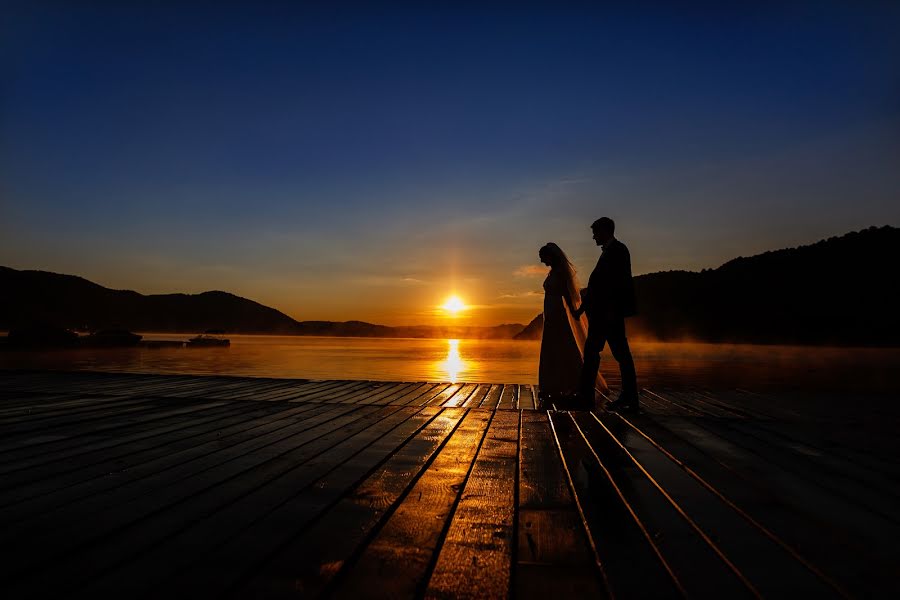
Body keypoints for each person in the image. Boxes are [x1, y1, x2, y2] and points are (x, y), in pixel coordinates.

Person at [572, 217, 639, 412]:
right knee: (596, 353)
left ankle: (627, 398)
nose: (593, 237)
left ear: (605, 231)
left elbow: (619, 284)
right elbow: (596, 288)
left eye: (595, 233)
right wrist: (583, 309)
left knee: (617, 354)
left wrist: (612, 311)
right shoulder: (610, 252)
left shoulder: (618, 251)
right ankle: (587, 395)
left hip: (609, 314)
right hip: (602, 314)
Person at [537, 242, 608, 408]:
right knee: (551, 350)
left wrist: (575, 312)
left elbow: (568, 295)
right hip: (549, 315)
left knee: (563, 348)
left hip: (558, 315)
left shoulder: (560, 273)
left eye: (543, 258)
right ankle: (552, 385)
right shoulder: (552, 272)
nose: (541, 261)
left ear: (550, 256)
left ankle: (572, 383)